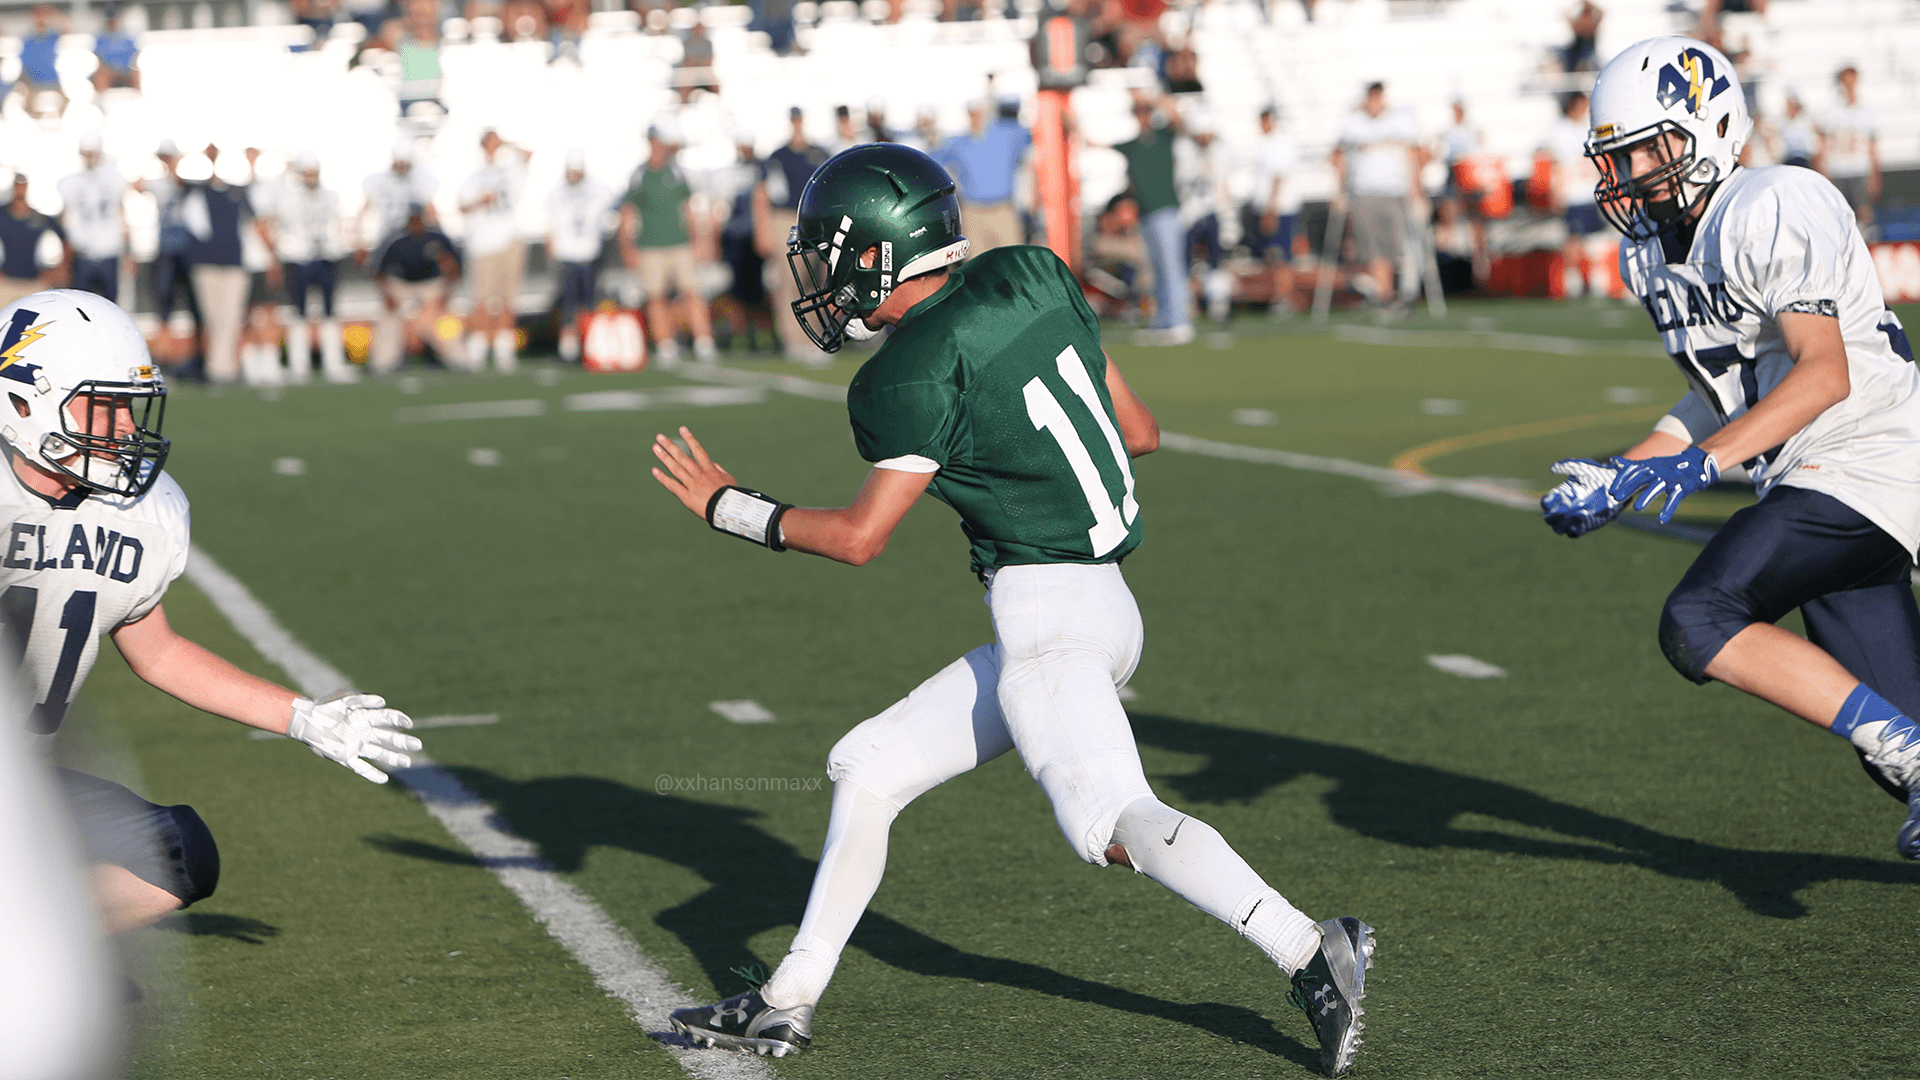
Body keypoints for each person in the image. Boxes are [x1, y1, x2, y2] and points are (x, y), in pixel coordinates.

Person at [650, 143, 1375, 1077]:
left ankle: (1309, 948)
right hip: (1100, 602)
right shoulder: (1032, 273)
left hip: (1045, 615)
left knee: (1111, 821)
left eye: (829, 258)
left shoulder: (906, 373)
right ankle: (787, 998)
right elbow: (1140, 432)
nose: (821, 282)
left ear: (875, 255)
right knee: (867, 766)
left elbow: (861, 538)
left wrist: (731, 508)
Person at [1540, 37, 1920, 859]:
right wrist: (1620, 476)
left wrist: (1705, 462)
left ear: (1711, 126)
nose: (1636, 172)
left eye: (1652, 147)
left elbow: (1823, 372)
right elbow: (1722, 395)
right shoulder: (1649, 252)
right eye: (1621, 156)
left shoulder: (1772, 201)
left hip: (1868, 452)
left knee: (1700, 618)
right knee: (1894, 741)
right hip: (1815, 478)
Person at [0, 288, 422, 937]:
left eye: (127, 406)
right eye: (104, 405)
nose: (124, 428)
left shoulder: (136, 515)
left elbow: (158, 651)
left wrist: (303, 718)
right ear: (24, 401)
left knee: (176, 854)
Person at [619, 124, 717, 365]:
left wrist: (699, 240)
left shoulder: (677, 173)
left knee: (692, 293)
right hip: (650, 246)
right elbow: (628, 213)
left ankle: (703, 341)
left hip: (680, 243)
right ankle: (665, 344)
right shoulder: (639, 174)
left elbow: (688, 209)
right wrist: (628, 248)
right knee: (655, 297)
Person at [1331, 82, 1421, 313]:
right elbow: (1339, 157)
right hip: (1364, 191)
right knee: (1373, 248)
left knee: (1394, 247)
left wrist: (1416, 190)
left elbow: (1414, 155)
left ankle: (1393, 292)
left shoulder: (1400, 121)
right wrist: (1339, 191)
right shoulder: (1353, 123)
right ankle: (1385, 295)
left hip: (1394, 190)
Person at [266, 152, 354, 383]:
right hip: (299, 259)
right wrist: (282, 251)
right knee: (298, 312)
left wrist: (341, 245)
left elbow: (340, 223)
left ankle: (333, 363)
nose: (311, 177)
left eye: (313, 173)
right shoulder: (288, 198)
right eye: (307, 173)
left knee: (330, 311)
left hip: (327, 257)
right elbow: (275, 223)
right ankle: (299, 365)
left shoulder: (331, 196)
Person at [1112, 95, 1189, 344]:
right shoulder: (1132, 145)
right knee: (1157, 270)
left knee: (1171, 267)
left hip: (1166, 211)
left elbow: (1178, 117)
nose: (1142, 116)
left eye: (1145, 112)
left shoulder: (1163, 137)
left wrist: (1153, 98)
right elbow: (1096, 143)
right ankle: (1164, 320)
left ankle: (1179, 322)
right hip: (1146, 215)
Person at [182, 145, 259, 386]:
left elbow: (253, 223)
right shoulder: (196, 193)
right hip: (206, 264)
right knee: (214, 318)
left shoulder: (239, 192)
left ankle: (222, 369)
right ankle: (220, 367)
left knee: (231, 317)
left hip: (234, 263)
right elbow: (196, 226)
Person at [763, 107, 831, 365]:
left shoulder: (819, 153)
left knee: (815, 281)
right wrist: (764, 227)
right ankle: (793, 338)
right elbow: (764, 192)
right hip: (786, 218)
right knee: (790, 280)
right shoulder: (778, 156)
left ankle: (815, 336)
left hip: (814, 218)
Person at [459, 129, 530, 372]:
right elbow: (463, 207)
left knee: (508, 298)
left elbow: (528, 154)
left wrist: (505, 142)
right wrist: (481, 202)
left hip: (509, 240)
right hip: (483, 245)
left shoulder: (509, 171)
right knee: (483, 299)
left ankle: (503, 348)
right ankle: (478, 347)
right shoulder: (474, 178)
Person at [372, 204, 466, 373]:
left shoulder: (438, 238)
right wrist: (387, 295)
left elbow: (455, 270)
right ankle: (382, 364)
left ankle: (459, 360)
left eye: (419, 219)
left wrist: (447, 294)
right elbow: (379, 273)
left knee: (443, 319)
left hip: (432, 285)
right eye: (413, 220)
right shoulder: (396, 240)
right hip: (403, 286)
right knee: (389, 318)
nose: (416, 223)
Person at [544, 149, 616, 364]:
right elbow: (550, 225)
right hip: (566, 256)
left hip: (590, 254)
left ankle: (591, 345)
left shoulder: (598, 189)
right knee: (568, 304)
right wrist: (551, 250)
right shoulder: (556, 193)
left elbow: (615, 209)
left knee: (590, 303)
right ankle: (569, 347)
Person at [934, 95, 1030, 254]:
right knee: (977, 260)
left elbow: (1042, 133)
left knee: (1012, 258)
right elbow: (934, 159)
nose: (976, 117)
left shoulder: (1009, 135)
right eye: (972, 113)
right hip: (972, 211)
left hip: (1002, 210)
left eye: (979, 112)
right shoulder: (958, 143)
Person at [134, 141, 196, 369]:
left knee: (195, 306)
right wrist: (152, 164)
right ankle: (165, 358)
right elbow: (136, 185)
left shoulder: (187, 182)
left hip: (188, 251)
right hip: (166, 251)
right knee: (163, 307)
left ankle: (196, 358)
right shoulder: (158, 183)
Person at [1548, 91, 1607, 298]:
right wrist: (1556, 190)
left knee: (1594, 240)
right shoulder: (1560, 130)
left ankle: (1595, 280)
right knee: (1573, 240)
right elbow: (1557, 164)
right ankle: (1572, 282)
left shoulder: (1587, 129)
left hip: (1590, 191)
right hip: (1572, 193)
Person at [57, 135, 128, 304]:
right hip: (82, 252)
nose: (90, 158)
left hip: (108, 251)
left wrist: (128, 251)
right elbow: (65, 219)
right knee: (80, 304)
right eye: (87, 154)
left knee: (110, 304)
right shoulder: (70, 182)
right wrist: (65, 255)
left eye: (93, 153)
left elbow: (121, 214)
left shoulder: (114, 179)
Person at [1248, 105, 1302, 317]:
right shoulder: (1269, 143)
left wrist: (1271, 208)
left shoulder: (1279, 143)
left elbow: (1279, 177)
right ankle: (1279, 295)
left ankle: (1284, 297)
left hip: (1280, 208)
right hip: (1273, 207)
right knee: (1273, 253)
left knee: (1281, 255)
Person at [1817, 64, 1879, 234]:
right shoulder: (1831, 111)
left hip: (1859, 168)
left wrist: (1875, 173)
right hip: (1838, 169)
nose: (1849, 86)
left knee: (1864, 213)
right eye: (1846, 82)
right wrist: (1823, 168)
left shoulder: (1866, 111)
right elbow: (1824, 143)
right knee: (1837, 214)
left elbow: (1872, 145)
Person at [361, 139, 438, 267]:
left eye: (404, 164)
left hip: (411, 237)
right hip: (385, 234)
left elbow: (431, 211)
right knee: (379, 267)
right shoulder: (379, 182)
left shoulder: (419, 182)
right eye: (399, 163)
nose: (401, 167)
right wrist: (361, 240)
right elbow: (365, 210)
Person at [0, 174, 68, 310]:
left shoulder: (39, 217)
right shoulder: (2, 215)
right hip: (6, 282)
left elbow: (66, 241)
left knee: (32, 321)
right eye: (17, 186)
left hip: (34, 282)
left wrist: (58, 269)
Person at [16, 5, 68, 117]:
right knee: (27, 107)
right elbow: (23, 65)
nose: (41, 18)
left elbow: (67, 28)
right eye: (38, 15)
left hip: (53, 81)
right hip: (34, 83)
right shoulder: (27, 40)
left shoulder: (53, 36)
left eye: (43, 15)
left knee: (67, 105)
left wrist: (53, 14)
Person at [91, 4, 141, 92]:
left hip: (126, 70)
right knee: (101, 75)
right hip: (108, 71)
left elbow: (135, 54)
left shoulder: (128, 37)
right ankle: (101, 97)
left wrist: (128, 67)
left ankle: (138, 95)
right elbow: (99, 57)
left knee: (136, 73)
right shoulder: (100, 39)